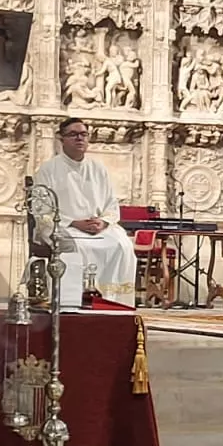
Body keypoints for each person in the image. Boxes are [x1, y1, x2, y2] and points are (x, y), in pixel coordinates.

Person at [32, 118, 137, 305]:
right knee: (76, 248)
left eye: (83, 134)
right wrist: (73, 222)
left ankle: (113, 301)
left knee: (123, 246)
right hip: (65, 226)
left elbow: (111, 204)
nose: (79, 139)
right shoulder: (48, 170)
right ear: (61, 139)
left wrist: (103, 222)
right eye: (73, 134)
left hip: (98, 227)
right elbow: (42, 209)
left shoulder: (98, 168)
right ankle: (75, 300)